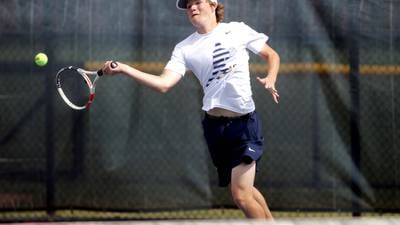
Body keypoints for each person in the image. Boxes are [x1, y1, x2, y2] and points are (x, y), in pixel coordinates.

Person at [102, 0, 279, 220]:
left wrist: (271, 77)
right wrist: (125, 69)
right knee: (246, 189)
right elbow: (163, 83)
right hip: (215, 128)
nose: (192, 8)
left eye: (197, 2)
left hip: (244, 125)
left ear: (213, 4)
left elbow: (272, 55)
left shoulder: (237, 30)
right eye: (188, 6)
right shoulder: (185, 48)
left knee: (241, 195)